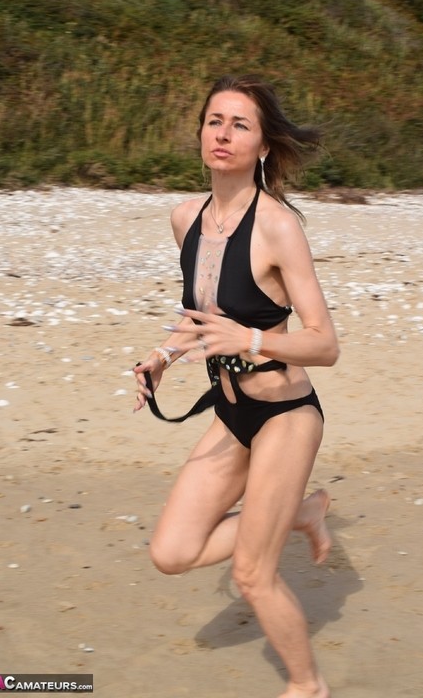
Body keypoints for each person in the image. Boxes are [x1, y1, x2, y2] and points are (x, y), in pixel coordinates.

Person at [133, 74, 339, 698]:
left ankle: (307, 686)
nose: (223, 134)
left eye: (240, 124)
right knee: (171, 552)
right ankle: (299, 512)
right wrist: (165, 353)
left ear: (263, 146)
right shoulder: (184, 218)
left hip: (285, 414)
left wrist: (251, 342)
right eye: (214, 121)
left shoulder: (278, 227)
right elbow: (201, 314)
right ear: (200, 133)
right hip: (231, 413)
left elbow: (325, 343)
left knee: (253, 573)